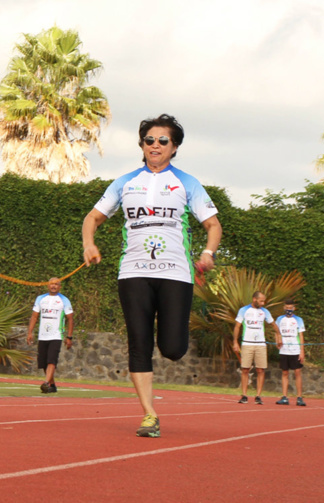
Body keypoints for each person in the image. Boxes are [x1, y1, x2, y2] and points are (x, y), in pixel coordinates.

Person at [82, 114, 222, 438]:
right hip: (133, 271)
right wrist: (89, 244)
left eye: (163, 141)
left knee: (172, 348)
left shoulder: (187, 183)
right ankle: (149, 414)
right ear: (141, 145)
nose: (155, 146)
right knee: (138, 343)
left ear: (174, 147)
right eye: (149, 140)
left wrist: (207, 253)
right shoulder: (125, 182)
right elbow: (92, 217)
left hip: (176, 272)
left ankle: (168, 340)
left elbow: (213, 225)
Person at [26, 278, 74, 393]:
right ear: (48, 285)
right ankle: (52, 385)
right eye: (52, 284)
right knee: (43, 362)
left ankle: (46, 383)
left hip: (56, 335)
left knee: (51, 360)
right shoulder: (40, 299)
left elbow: (70, 319)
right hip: (43, 335)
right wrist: (30, 332)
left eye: (56, 284)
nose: (54, 286)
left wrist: (69, 336)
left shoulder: (64, 300)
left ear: (60, 286)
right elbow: (34, 316)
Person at [233, 291, 281, 405]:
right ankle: (244, 395)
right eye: (261, 301)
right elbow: (237, 326)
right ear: (254, 299)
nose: (263, 303)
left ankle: (258, 396)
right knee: (245, 369)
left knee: (261, 369)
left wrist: (279, 336)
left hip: (260, 344)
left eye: (264, 301)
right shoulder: (244, 310)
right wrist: (235, 342)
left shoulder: (265, 311)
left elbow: (273, 324)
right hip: (247, 343)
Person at [275, 298, 306, 406]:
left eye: (290, 308)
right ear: (284, 308)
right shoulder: (279, 319)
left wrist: (302, 351)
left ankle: (299, 397)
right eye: (287, 308)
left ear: (294, 308)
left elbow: (301, 336)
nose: (289, 310)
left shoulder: (298, 320)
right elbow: (277, 332)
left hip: (295, 349)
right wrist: (277, 341)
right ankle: (284, 397)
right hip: (284, 350)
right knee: (285, 372)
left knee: (297, 372)